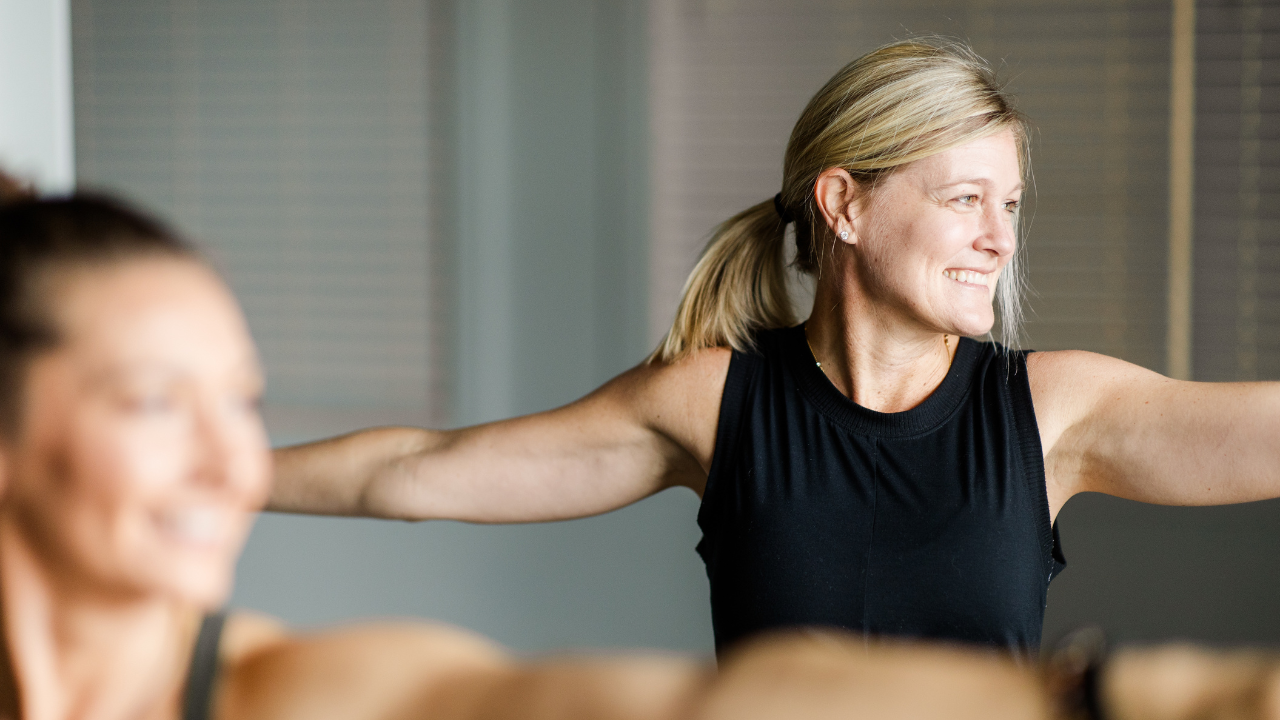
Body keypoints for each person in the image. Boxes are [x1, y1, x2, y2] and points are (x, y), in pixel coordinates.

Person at [268, 36, 1280, 659]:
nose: (998, 240)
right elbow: (417, 471)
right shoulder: (714, 403)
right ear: (844, 204)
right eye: (966, 199)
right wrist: (215, 473)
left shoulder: (1050, 411)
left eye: (1008, 205)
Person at [0, 182, 1084, 720]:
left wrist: (1093, 696)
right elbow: (411, 470)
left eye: (244, 404)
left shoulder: (281, 691)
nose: (231, 460)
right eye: (154, 403)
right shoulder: (723, 396)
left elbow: (648, 705)